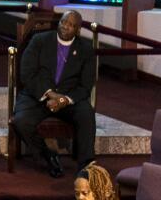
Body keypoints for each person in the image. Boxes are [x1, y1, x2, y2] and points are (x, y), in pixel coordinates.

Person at [12, 11, 98, 177]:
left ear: (78, 30)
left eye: (71, 25)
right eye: (64, 22)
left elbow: (86, 85)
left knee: (86, 114)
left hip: (69, 98)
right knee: (20, 121)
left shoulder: (86, 50)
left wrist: (65, 99)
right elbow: (27, 73)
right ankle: (48, 155)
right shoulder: (39, 41)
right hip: (38, 95)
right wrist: (50, 94)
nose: (66, 27)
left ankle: (86, 166)